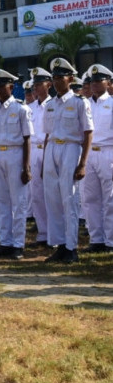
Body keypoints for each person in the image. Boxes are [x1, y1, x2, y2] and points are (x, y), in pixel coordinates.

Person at [42, 58, 93, 264]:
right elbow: (47, 134)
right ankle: (60, 245)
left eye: (60, 77)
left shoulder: (80, 102)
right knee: (52, 201)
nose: (56, 81)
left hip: (71, 149)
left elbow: (88, 133)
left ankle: (71, 248)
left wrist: (82, 163)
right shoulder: (50, 105)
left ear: (70, 79)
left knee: (69, 199)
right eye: (53, 78)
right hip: (52, 148)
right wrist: (45, 160)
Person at [0, 69, 33, 260]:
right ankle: (5, 242)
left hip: (15, 154)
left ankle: (18, 244)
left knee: (18, 202)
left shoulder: (21, 109)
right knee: (2, 202)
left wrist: (26, 166)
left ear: (11, 87)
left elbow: (27, 139)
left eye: (1, 85)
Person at [80, 64, 113, 253]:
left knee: (110, 199)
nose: (94, 84)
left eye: (98, 80)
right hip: (89, 153)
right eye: (92, 81)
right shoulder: (85, 104)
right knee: (89, 198)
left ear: (108, 83)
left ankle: (110, 241)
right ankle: (96, 239)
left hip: (108, 152)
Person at [28, 67, 52, 247]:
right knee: (36, 194)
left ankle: (54, 233)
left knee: (51, 194)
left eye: (38, 84)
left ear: (48, 85)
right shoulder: (29, 108)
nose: (35, 88)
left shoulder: (53, 105)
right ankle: (43, 232)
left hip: (49, 149)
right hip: (33, 150)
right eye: (34, 84)